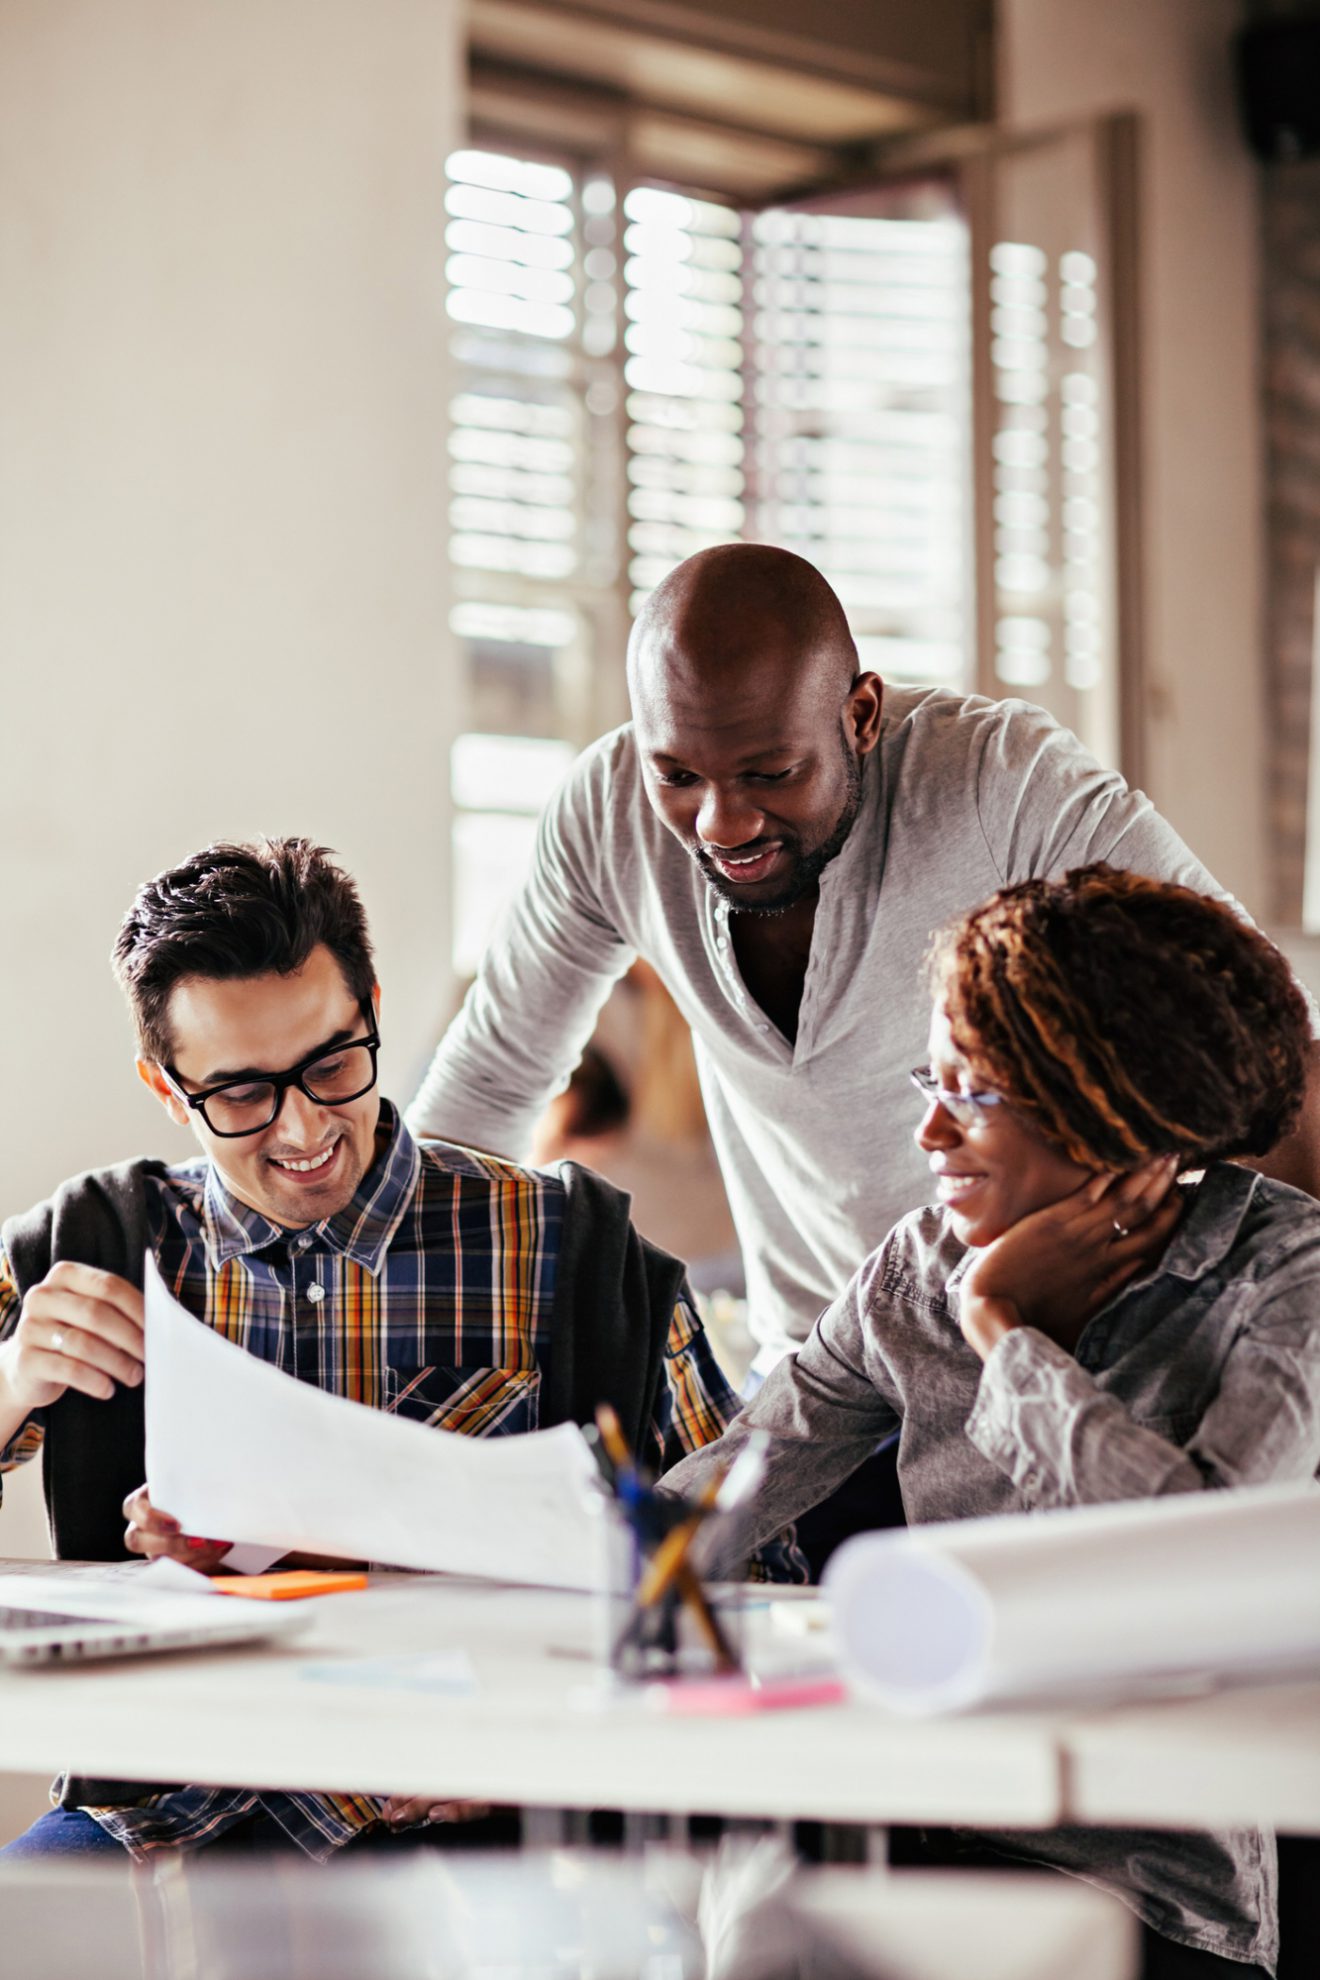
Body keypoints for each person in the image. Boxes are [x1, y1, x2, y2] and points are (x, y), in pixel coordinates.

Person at [0, 836, 783, 1864]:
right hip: (160, 1810)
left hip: (489, 1810)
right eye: (239, 1096)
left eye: (332, 1065)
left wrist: (545, 1737)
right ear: (164, 1083)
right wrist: (11, 1387)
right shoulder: (89, 1242)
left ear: (370, 1005)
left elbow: (743, 1567)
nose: (301, 1130)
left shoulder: (577, 1250)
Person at [408, 544, 1320, 1388]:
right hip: (818, 1370)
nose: (721, 824)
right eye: (678, 775)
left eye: (770, 774)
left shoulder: (999, 780)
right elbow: (487, 1087)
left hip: (1051, 1358)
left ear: (862, 715)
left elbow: (1260, 1036)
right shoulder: (607, 813)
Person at [661, 863, 1320, 1980]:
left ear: (1116, 1117)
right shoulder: (913, 1271)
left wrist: (1002, 1329)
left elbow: (1188, 1551)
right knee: (732, 1921)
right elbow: (732, 1484)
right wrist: (552, 1547)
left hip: (1150, 1894)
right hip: (925, 1822)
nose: (927, 1132)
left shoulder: (1282, 1276)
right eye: (935, 1078)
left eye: (972, 1093)